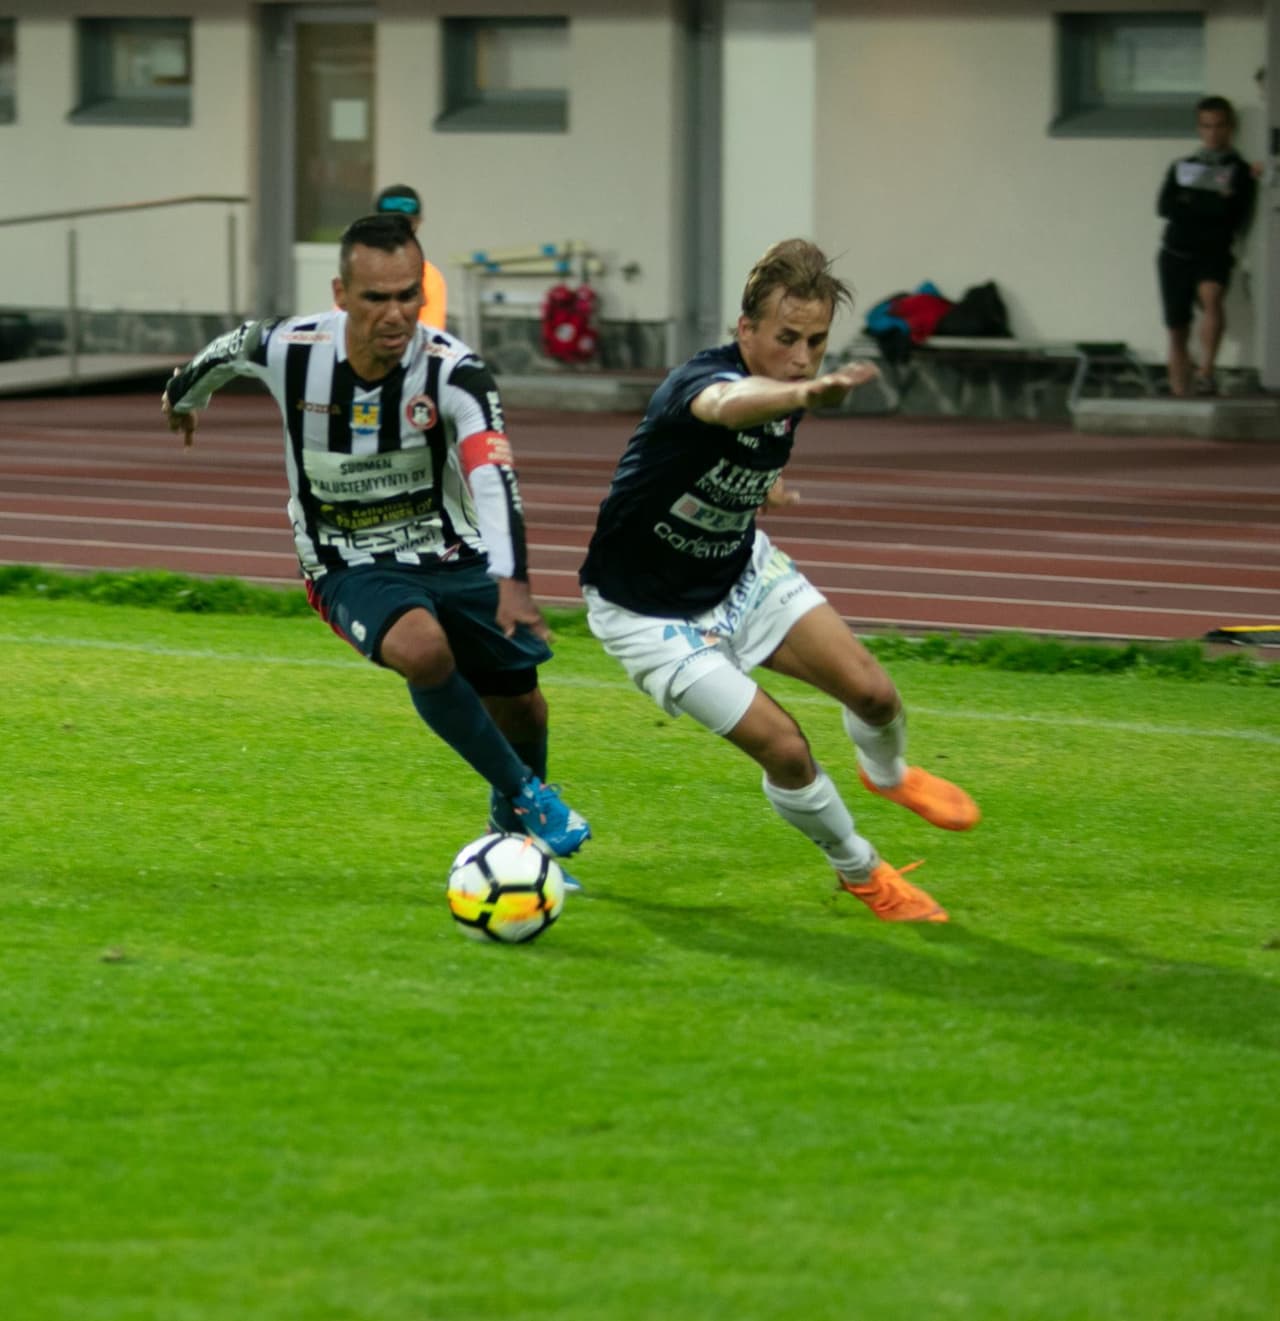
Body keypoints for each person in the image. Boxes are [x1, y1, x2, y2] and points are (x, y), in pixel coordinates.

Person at [162, 212, 590, 875]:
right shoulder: (293, 349)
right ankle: (529, 796)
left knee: (522, 704)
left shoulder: (456, 372)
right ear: (340, 296)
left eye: (407, 294)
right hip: (344, 560)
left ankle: (516, 841)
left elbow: (493, 476)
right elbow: (229, 348)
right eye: (375, 297)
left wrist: (511, 578)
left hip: (450, 550)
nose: (395, 313)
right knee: (423, 650)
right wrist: (184, 395)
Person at [579, 238, 980, 924]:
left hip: (737, 571)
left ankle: (888, 775)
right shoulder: (702, 384)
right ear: (746, 332)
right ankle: (862, 872)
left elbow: (742, 443)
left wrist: (766, 484)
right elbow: (727, 407)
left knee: (876, 693)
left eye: (816, 341)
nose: (801, 355)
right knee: (787, 747)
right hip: (647, 613)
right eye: (786, 338)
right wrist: (800, 392)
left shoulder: (791, 386)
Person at [1156, 95, 1257, 397]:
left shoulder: (1240, 170)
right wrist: (1211, 201)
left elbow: (1232, 213)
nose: (1213, 133)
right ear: (1199, 129)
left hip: (1213, 251)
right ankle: (1179, 390)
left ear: (1230, 128)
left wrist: (1192, 201)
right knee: (1177, 328)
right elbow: (1165, 206)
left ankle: (1206, 372)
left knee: (1211, 298)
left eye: (1219, 126)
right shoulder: (1181, 166)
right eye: (1206, 126)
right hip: (1175, 252)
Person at [373, 183, 449, 329]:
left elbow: (430, 335)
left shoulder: (429, 277)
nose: (396, 229)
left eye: (405, 223)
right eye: (388, 222)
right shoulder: (360, 269)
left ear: (417, 224)